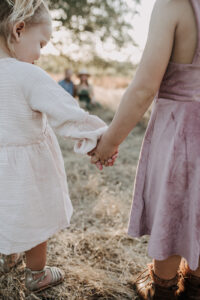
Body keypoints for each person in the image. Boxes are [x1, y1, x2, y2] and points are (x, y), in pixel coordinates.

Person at [89, 0, 200, 298]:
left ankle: (162, 287)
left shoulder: (174, 5)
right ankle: (195, 283)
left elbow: (143, 89)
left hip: (183, 132)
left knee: (175, 207)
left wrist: (109, 142)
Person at [0, 0, 110, 293]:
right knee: (35, 215)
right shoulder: (27, 74)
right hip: (28, 171)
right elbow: (69, 115)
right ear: (19, 30)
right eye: (41, 43)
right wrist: (101, 138)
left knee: (6, 208)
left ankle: (8, 255)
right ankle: (36, 274)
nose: (40, 53)